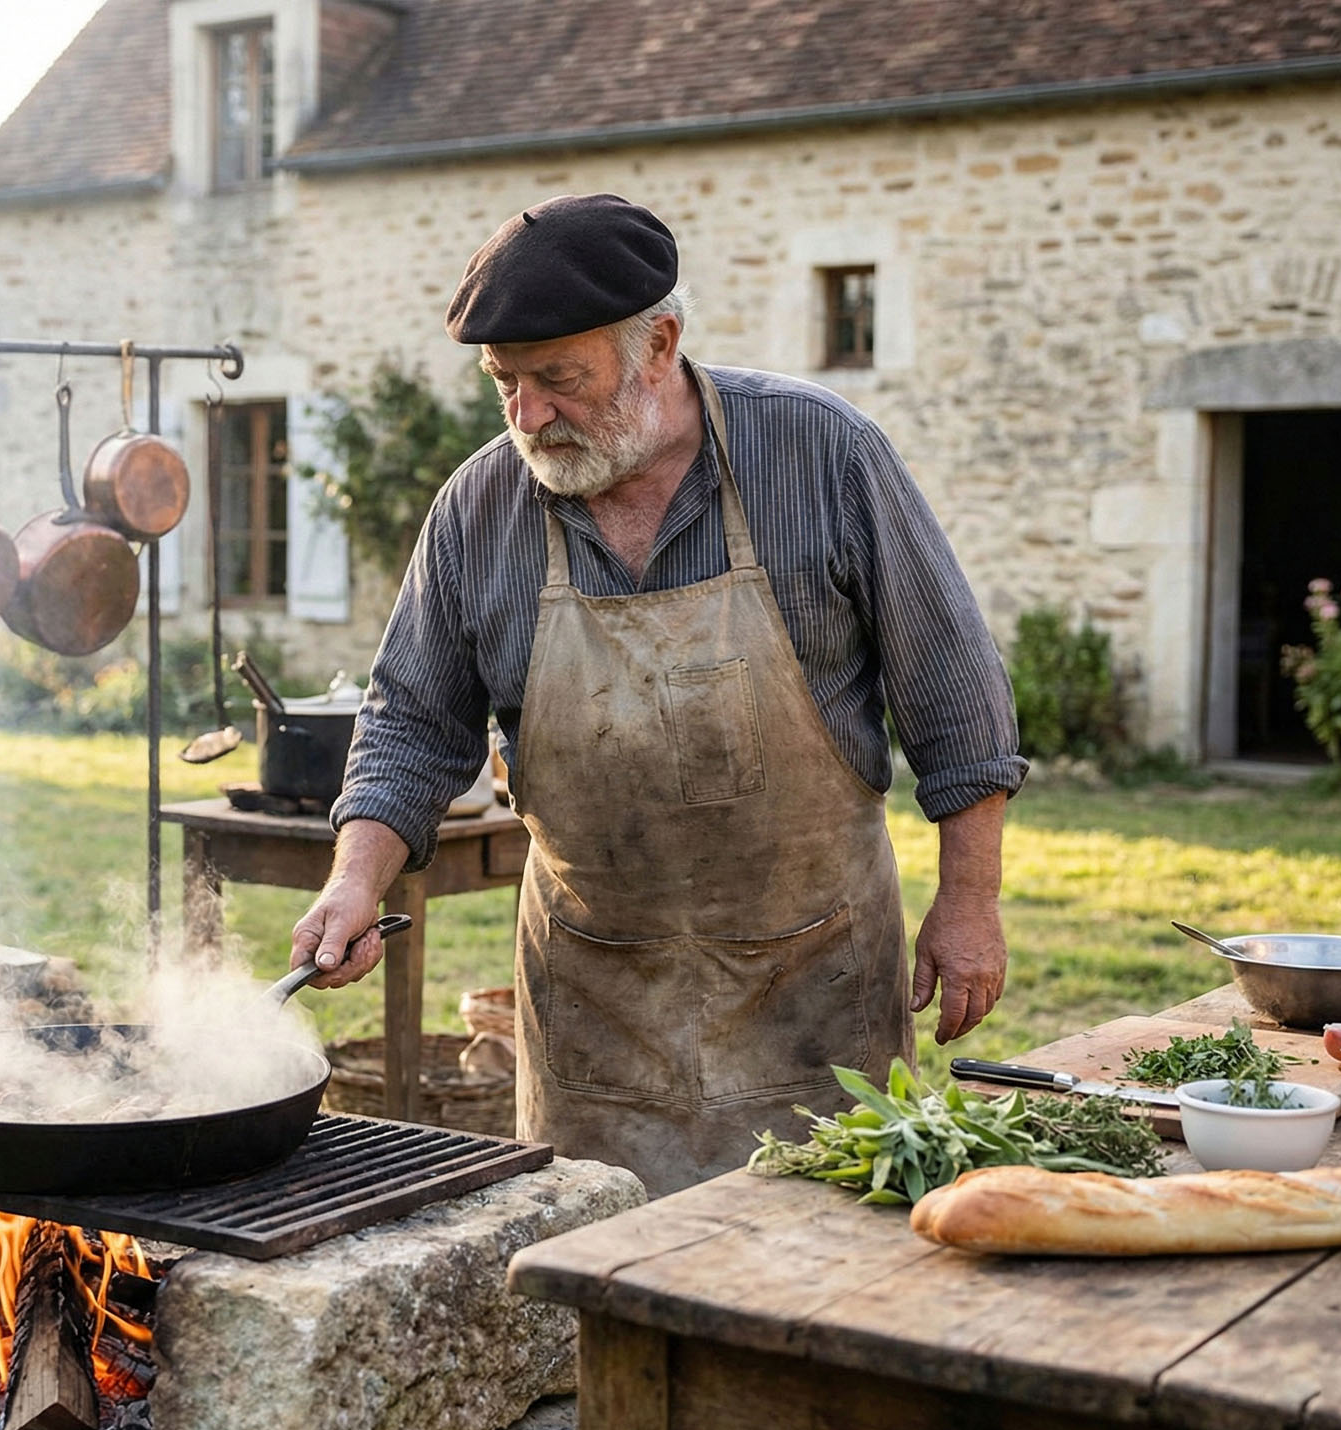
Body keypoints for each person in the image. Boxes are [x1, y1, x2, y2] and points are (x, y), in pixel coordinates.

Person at [289, 193, 1026, 1195]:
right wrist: (352, 881)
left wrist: (969, 901)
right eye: (503, 382)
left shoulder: (821, 454)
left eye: (557, 378)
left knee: (816, 1291)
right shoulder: (479, 507)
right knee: (594, 1298)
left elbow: (953, 690)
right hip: (596, 1005)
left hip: (811, 989)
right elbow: (412, 723)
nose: (526, 415)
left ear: (658, 342)